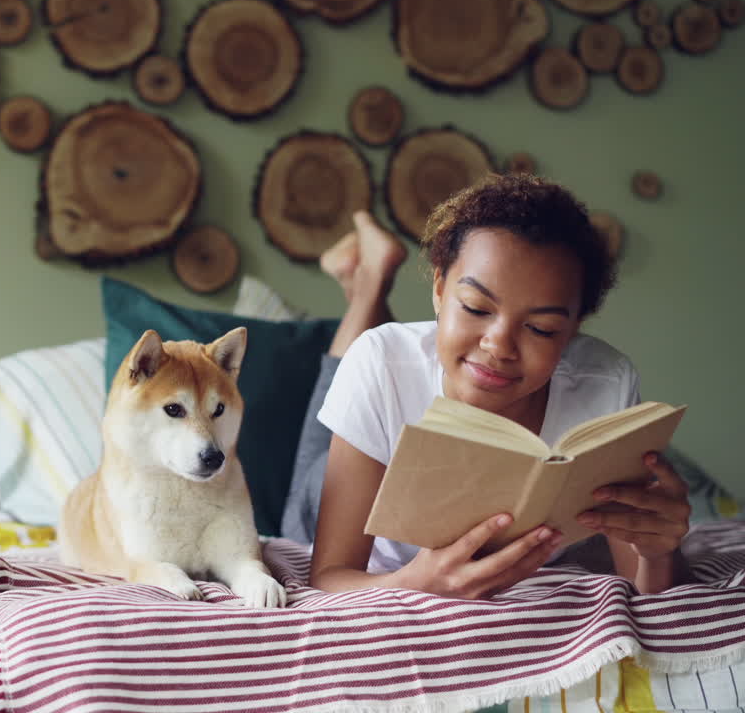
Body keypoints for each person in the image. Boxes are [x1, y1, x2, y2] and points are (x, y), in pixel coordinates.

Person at [281, 174, 691, 598]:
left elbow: (648, 592)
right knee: (339, 401)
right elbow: (329, 577)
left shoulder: (605, 384)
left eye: (541, 328)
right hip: (350, 459)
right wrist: (414, 585)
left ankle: (372, 286)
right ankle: (369, 285)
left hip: (412, 359)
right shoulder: (381, 362)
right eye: (476, 308)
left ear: (573, 329)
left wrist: (660, 553)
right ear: (439, 289)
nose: (499, 346)